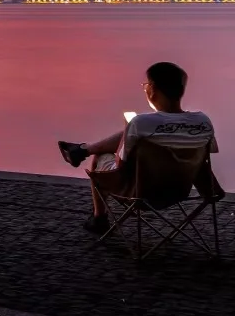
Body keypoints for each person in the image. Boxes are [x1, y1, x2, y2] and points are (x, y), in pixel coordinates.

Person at [56, 61, 220, 234]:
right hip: (179, 190)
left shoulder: (141, 122)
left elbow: (122, 163)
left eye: (146, 85)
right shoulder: (203, 121)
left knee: (103, 154)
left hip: (142, 192)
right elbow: (207, 154)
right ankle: (82, 149)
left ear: (153, 88)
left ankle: (99, 218)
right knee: (137, 134)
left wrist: (128, 134)